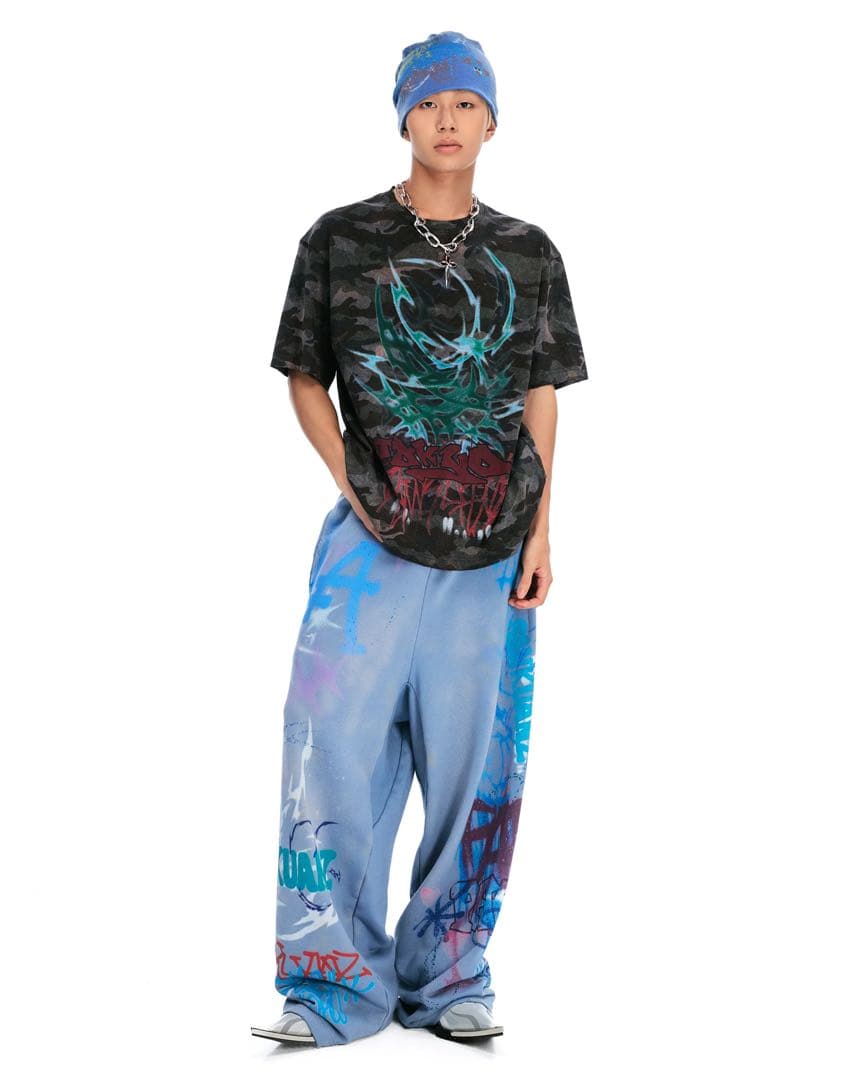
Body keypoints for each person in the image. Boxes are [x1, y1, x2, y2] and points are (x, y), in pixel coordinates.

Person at [250, 30, 588, 1050]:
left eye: (466, 104)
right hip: (370, 544)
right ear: (404, 115)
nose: (448, 120)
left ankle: (449, 976)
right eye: (431, 102)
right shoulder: (340, 238)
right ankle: (328, 984)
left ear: (491, 121)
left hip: (492, 547)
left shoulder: (530, 251)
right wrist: (350, 479)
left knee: (478, 766)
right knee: (329, 748)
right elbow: (304, 375)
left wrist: (542, 528)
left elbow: (542, 393)